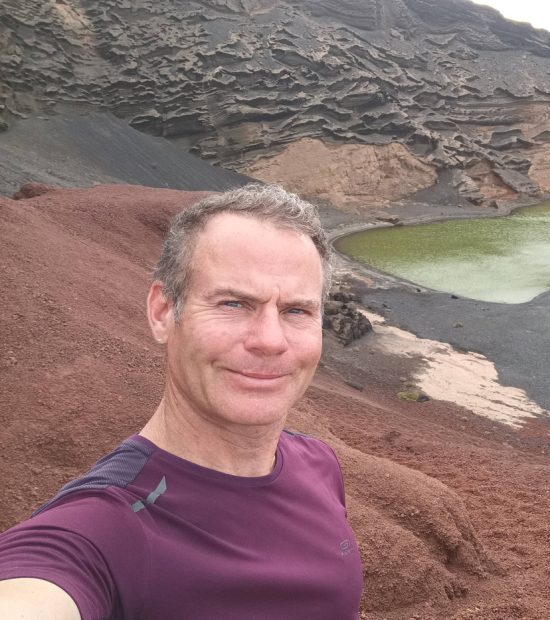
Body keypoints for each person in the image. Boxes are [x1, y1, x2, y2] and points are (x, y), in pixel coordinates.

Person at [0, 184, 363, 619]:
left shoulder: (318, 464)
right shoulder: (103, 529)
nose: (269, 340)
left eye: (296, 311)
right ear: (162, 312)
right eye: (233, 303)